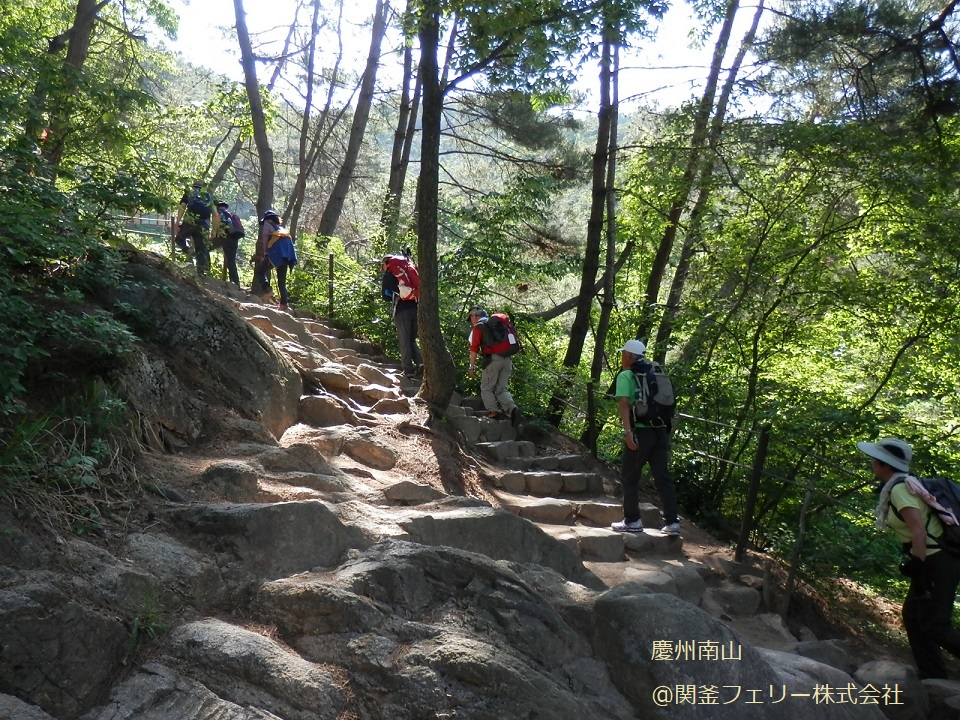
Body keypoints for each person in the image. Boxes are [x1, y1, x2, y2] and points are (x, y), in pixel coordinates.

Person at [859, 437, 960, 679]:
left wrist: (921, 572)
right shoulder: (899, 486)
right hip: (930, 558)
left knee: (935, 623)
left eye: (875, 459)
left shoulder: (900, 490)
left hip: (938, 561)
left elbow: (918, 531)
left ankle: (934, 675)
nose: (872, 463)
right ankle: (932, 676)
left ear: (885, 464)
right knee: (914, 616)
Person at [610, 338, 681, 536]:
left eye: (624, 354)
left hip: (641, 431)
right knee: (662, 478)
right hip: (660, 431)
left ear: (629, 356)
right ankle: (672, 522)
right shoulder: (656, 372)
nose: (623, 358)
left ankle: (632, 520)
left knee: (629, 476)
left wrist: (628, 431)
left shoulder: (626, 375)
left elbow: (624, 403)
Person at [467, 306, 520, 423]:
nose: (471, 320)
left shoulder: (479, 328)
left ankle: (493, 412)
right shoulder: (499, 325)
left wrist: (471, 366)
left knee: (486, 388)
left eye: (470, 317)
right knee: (501, 389)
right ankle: (512, 409)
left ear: (474, 316)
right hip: (507, 360)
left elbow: (474, 348)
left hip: (493, 360)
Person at [380, 255, 422, 378]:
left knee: (404, 340)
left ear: (387, 264)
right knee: (411, 339)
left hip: (402, 310)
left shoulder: (388, 275)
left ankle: (408, 370)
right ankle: (421, 364)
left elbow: (385, 297)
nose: (382, 268)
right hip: (416, 307)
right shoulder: (406, 273)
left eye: (382, 265)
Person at [253, 210, 297, 311]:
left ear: (267, 219)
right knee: (282, 282)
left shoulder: (267, 225)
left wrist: (265, 253)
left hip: (273, 254)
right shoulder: (282, 229)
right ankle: (284, 304)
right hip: (286, 257)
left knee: (259, 271)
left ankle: (268, 289)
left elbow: (265, 239)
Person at [174, 180, 217, 275]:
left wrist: (177, 221)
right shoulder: (209, 197)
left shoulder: (189, 193)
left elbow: (182, 206)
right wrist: (214, 230)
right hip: (204, 225)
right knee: (201, 248)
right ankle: (202, 272)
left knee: (179, 239)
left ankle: (188, 250)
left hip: (189, 221)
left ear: (193, 186)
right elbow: (215, 214)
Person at [213, 201, 242, 286]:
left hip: (223, 236)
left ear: (218, 207)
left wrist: (214, 233)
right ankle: (236, 283)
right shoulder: (232, 215)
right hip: (234, 239)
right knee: (231, 261)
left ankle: (203, 270)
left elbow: (217, 223)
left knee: (205, 247)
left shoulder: (218, 213)